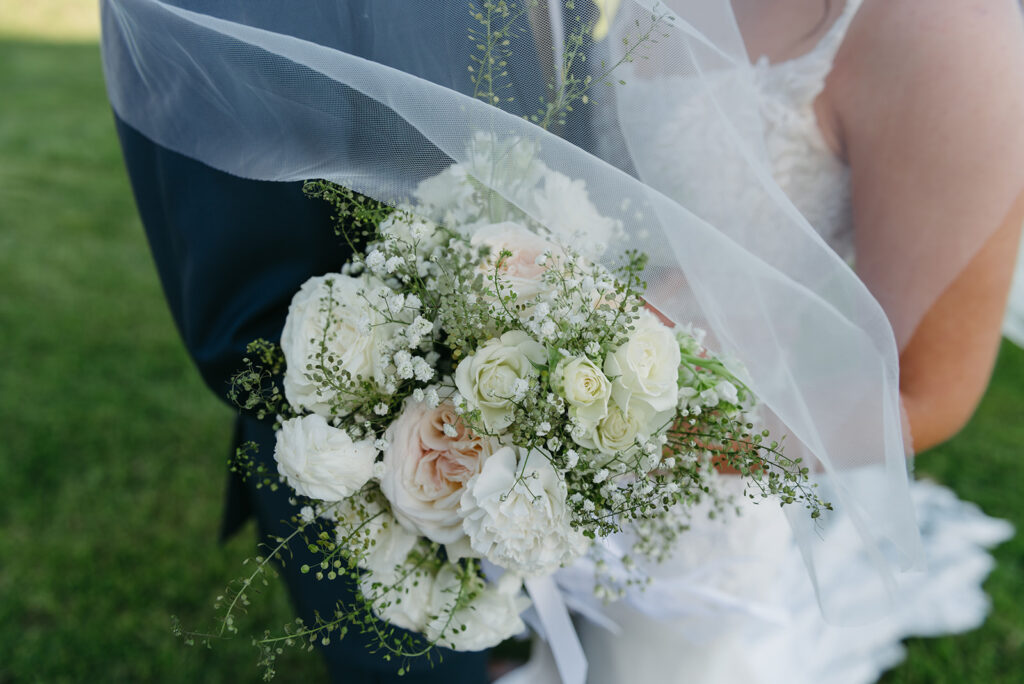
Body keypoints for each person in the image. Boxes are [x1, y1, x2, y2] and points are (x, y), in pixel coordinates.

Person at [101, 1, 1023, 682]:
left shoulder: (955, 39)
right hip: (524, 423)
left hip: (693, 496)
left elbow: (925, 394)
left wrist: (602, 434)